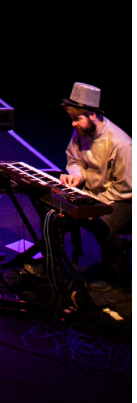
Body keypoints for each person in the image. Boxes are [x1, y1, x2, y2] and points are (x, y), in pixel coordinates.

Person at [59, 83, 132, 289]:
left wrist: (94, 205)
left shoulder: (120, 143)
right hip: (93, 194)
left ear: (92, 115)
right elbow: (74, 160)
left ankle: (110, 278)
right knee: (55, 213)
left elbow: (124, 187)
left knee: (102, 224)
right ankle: (53, 265)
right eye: (72, 119)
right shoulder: (81, 133)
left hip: (123, 198)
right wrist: (76, 175)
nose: (73, 124)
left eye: (77, 119)